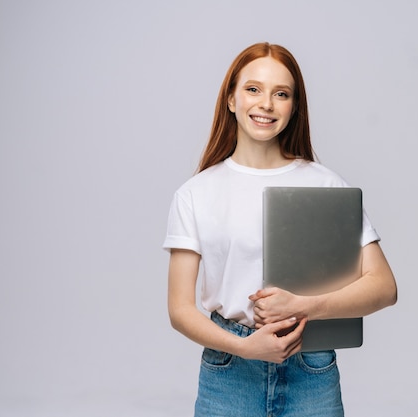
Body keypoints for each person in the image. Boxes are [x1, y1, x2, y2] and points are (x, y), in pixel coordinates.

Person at [163, 42, 397, 417]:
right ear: (231, 100)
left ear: (294, 107)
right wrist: (245, 348)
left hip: (310, 367)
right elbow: (179, 309)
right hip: (229, 370)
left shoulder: (324, 184)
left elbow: (384, 287)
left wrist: (305, 305)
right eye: (253, 89)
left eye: (281, 94)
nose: (266, 104)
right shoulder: (195, 193)